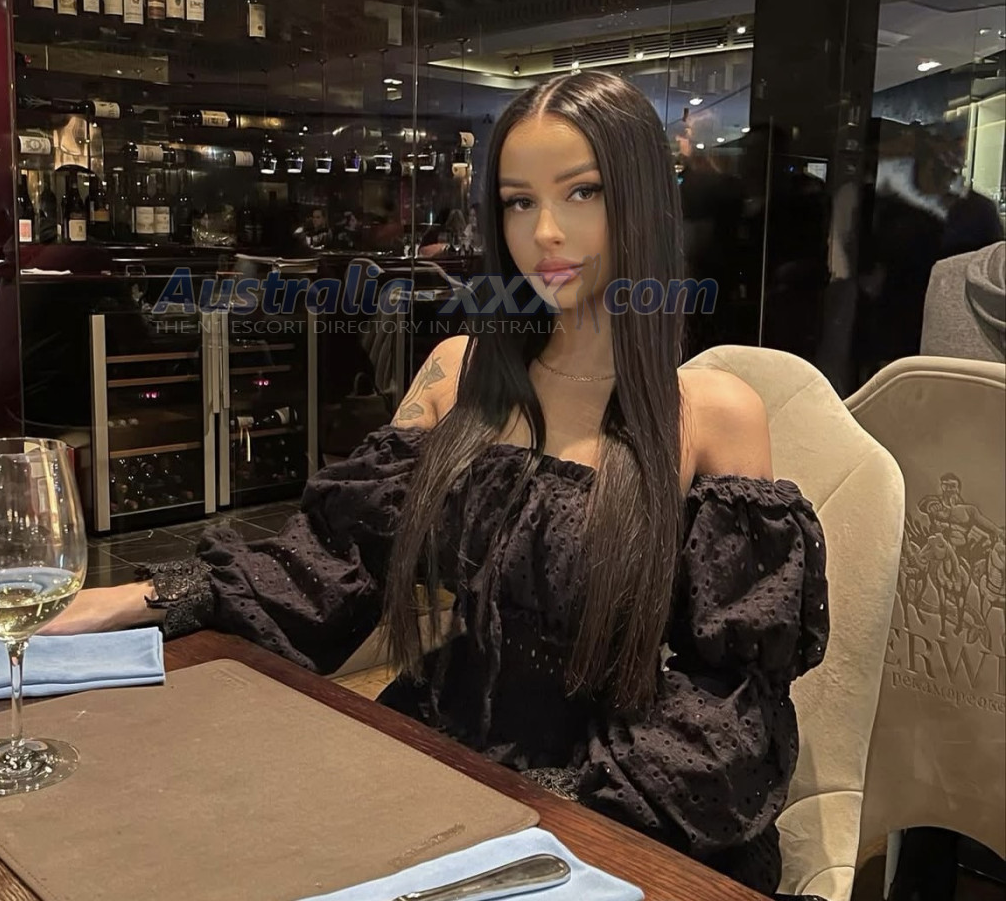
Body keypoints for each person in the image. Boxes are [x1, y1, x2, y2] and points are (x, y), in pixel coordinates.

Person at [48, 72, 828, 898]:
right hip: (440, 756)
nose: (545, 232)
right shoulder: (460, 376)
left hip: (620, 803)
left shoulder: (710, 414)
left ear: (641, 200)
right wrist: (143, 597)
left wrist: (552, 815)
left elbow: (728, 697)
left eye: (582, 192)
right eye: (518, 201)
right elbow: (330, 567)